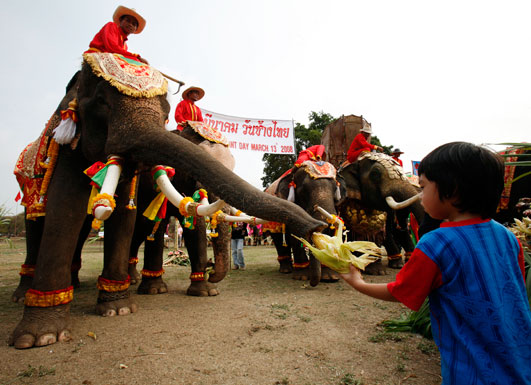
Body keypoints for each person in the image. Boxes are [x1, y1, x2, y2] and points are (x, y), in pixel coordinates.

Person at [340, 142, 531, 384]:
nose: (419, 196)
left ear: (451, 190)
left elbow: (401, 291)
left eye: (423, 187)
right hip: (521, 363)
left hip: (471, 371)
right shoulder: (509, 237)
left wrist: (358, 283)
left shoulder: (436, 243)